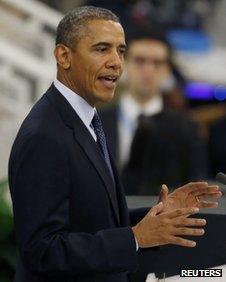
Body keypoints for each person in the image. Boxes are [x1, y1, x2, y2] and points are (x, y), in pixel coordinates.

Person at [8, 6, 221, 282]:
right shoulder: (45, 135)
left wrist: (157, 217)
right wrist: (134, 238)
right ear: (63, 56)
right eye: (101, 49)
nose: (116, 63)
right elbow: (42, 252)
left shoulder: (85, 118)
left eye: (120, 51)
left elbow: (93, 219)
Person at [100, 27, 207, 195]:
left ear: (167, 70)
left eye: (157, 63)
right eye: (140, 61)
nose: (148, 70)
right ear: (123, 63)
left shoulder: (186, 128)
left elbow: (196, 185)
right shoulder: (95, 121)